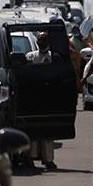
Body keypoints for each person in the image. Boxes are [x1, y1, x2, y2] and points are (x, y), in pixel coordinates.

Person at [24, 31, 57, 170]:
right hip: (32, 98)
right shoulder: (30, 57)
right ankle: (30, 158)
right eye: (40, 39)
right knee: (33, 131)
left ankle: (48, 160)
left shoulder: (53, 58)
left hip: (48, 99)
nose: (42, 42)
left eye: (44, 39)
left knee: (48, 132)